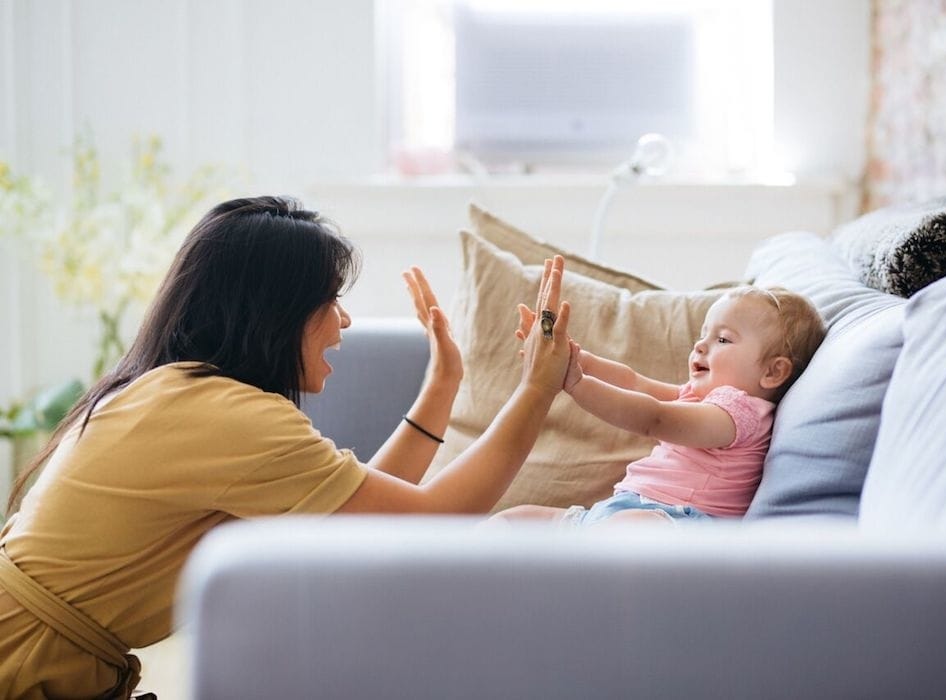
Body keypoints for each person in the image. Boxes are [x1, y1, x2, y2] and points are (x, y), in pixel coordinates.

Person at [0, 195, 572, 699]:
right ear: (276, 310)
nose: (344, 320)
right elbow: (433, 518)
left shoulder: (188, 394)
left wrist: (444, 383)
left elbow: (358, 515)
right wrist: (537, 390)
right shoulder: (223, 416)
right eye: (330, 299)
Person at [494, 285, 825, 526]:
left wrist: (576, 384)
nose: (700, 345)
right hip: (623, 512)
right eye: (703, 334)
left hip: (678, 524)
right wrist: (575, 358)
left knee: (625, 531)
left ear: (773, 372)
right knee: (513, 520)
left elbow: (655, 418)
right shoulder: (700, 398)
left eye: (723, 339)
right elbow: (634, 382)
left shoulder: (739, 415)